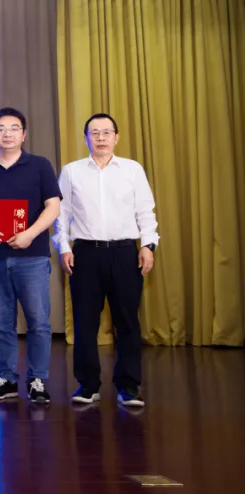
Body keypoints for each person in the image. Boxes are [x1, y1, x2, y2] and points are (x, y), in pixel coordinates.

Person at [55, 113, 158, 408]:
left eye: (106, 132)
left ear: (116, 137)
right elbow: (61, 214)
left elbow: (145, 211)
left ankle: (128, 385)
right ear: (86, 138)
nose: (101, 138)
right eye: (94, 133)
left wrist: (148, 245)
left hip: (125, 253)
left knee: (127, 322)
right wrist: (64, 247)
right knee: (85, 322)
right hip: (85, 254)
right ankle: (88, 384)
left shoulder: (132, 170)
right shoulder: (72, 171)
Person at [0, 107, 61, 406]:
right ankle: (6, 379)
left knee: (38, 321)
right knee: (2, 322)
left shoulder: (40, 166)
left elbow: (53, 207)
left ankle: (37, 380)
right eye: (0, 129)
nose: (7, 134)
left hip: (32, 256)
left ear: (24, 134)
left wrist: (30, 233)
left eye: (13, 128)